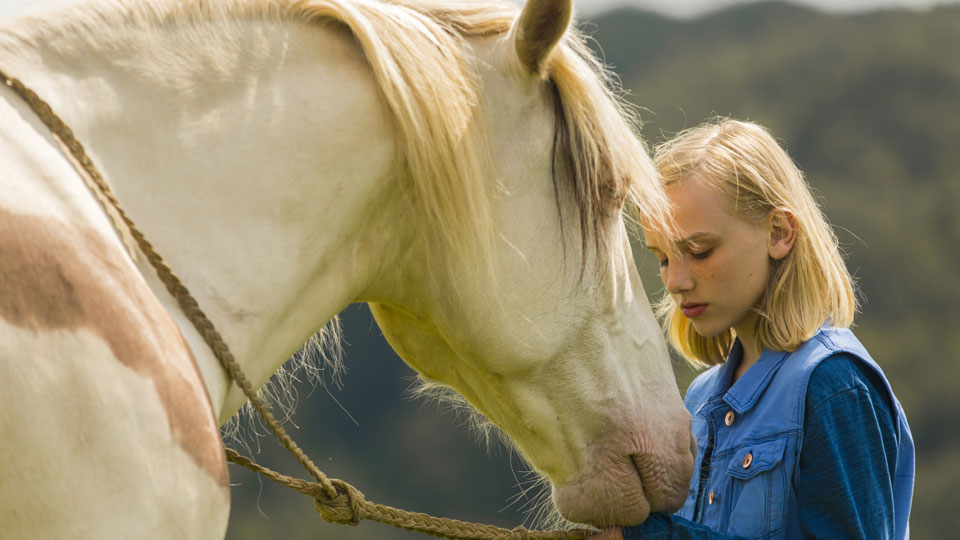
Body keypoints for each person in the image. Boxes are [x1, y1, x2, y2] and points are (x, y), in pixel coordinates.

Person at [590, 118, 914, 540]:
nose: (675, 282)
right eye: (663, 258)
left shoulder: (835, 386)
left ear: (779, 233)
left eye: (699, 251)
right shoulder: (699, 397)